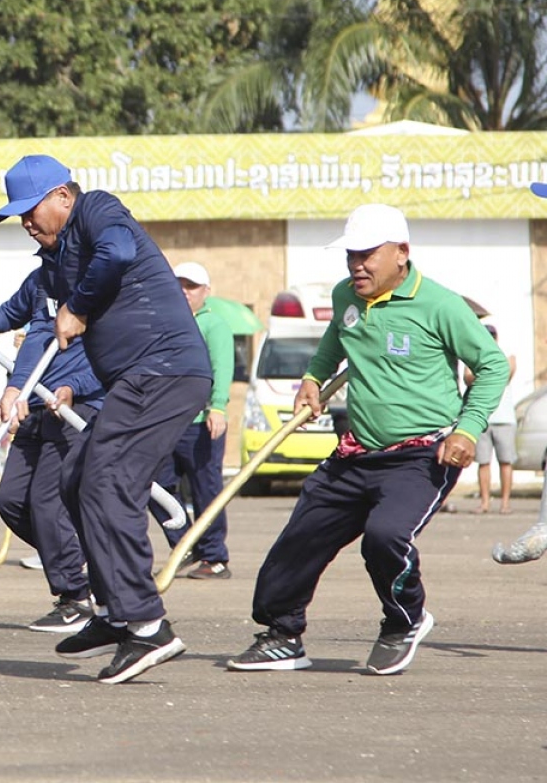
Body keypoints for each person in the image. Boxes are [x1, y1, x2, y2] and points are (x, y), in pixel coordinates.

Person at [227, 203, 508, 676]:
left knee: (385, 537)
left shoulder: (440, 305)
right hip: (356, 450)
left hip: (422, 453)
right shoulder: (346, 297)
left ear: (402, 253)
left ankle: (404, 621)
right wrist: (313, 378)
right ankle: (283, 634)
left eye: (367, 255)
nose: (357, 265)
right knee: (300, 538)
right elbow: (335, 342)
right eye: (351, 255)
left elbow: (493, 365)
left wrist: (468, 427)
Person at [0, 155, 212, 685]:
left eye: (31, 210)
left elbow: (117, 252)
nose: (26, 222)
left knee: (107, 482)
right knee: (75, 479)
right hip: (134, 381)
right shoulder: (56, 258)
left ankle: (146, 624)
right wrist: (16, 382)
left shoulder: (96, 210)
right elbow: (40, 319)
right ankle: (115, 612)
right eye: (17, 215)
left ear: (63, 195)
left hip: (165, 371)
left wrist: (81, 306)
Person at [0, 269, 104, 633]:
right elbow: (14, 311)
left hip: (76, 408)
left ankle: (75, 595)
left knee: (47, 503)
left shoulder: (99, 282)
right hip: (33, 405)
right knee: (11, 501)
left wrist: (75, 385)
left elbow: (112, 356)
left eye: (32, 217)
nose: (28, 227)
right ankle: (80, 561)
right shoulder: (42, 279)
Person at [147, 261, 235, 580]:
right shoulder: (163, 322)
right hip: (167, 420)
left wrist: (219, 407)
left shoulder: (214, 325)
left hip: (201, 421)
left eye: (191, 286)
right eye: (179, 284)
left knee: (205, 489)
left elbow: (222, 368)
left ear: (206, 292)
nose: (184, 292)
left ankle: (215, 557)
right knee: (154, 483)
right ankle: (184, 545)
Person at [466, 324, 516, 514]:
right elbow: (468, 379)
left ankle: (505, 503)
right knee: (483, 461)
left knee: (505, 461)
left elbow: (507, 373)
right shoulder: (472, 355)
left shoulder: (505, 354)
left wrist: (488, 368)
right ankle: (485, 502)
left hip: (504, 419)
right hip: (481, 418)